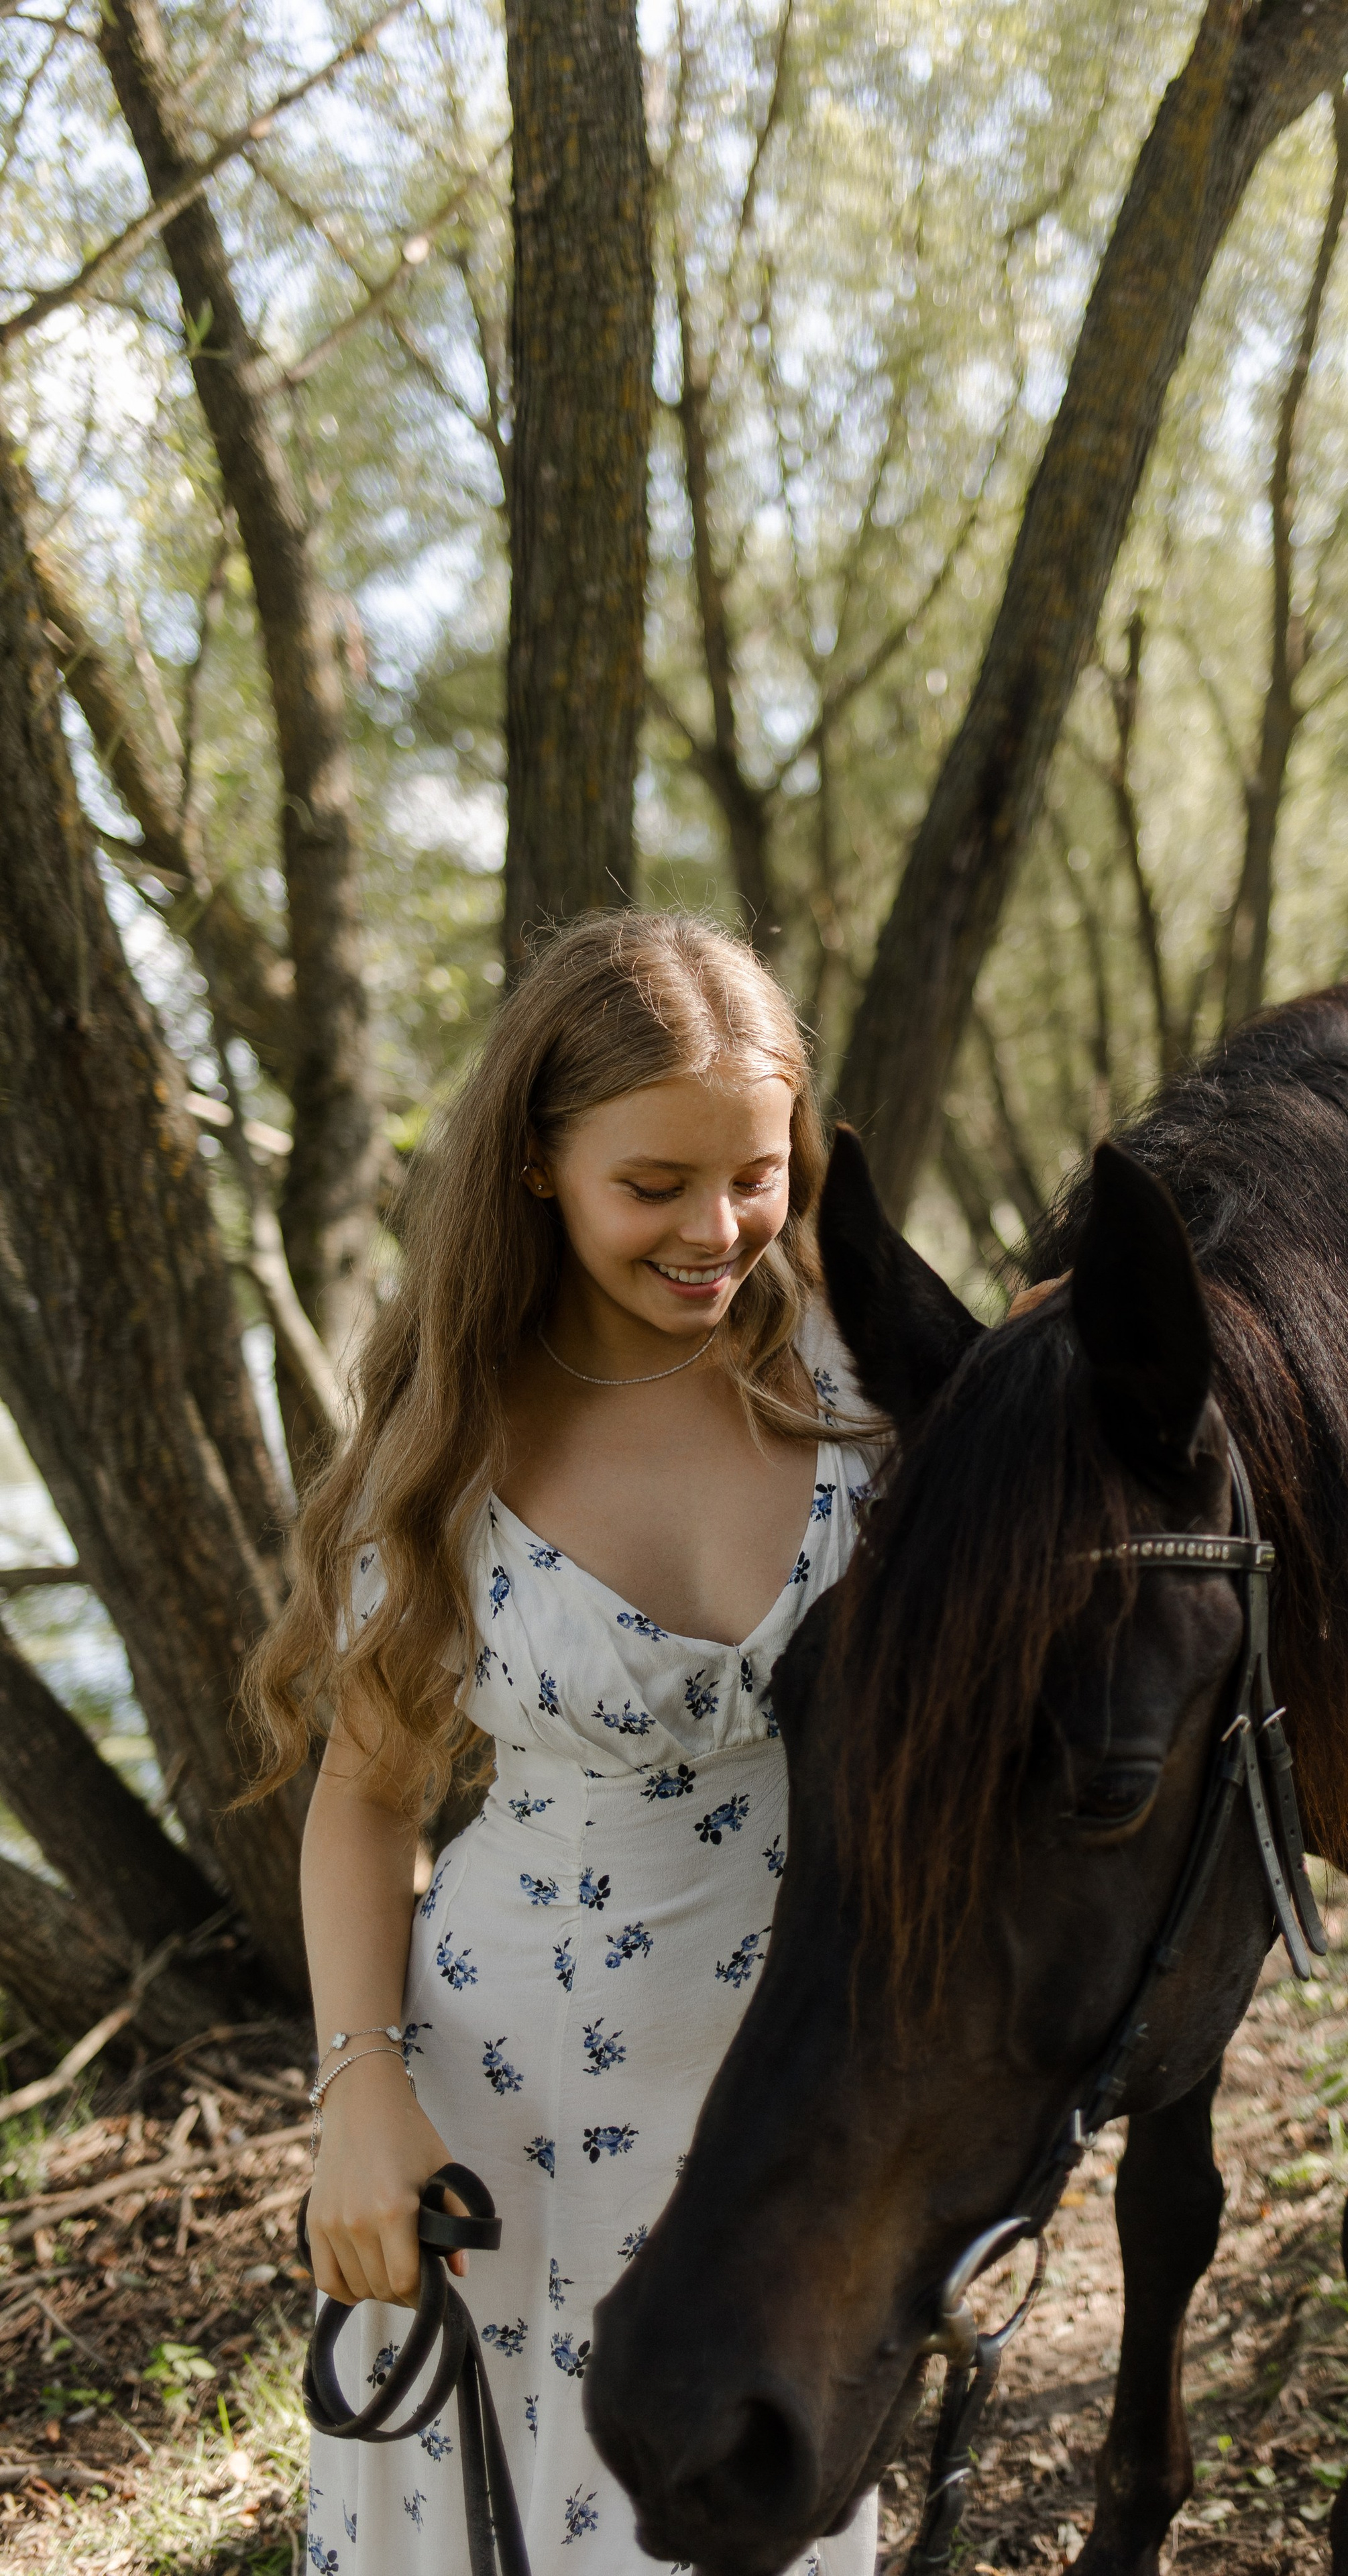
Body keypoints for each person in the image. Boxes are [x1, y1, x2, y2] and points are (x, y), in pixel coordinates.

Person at [247, 912, 884, 2576]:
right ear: (537, 1164)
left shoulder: (859, 1384)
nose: (717, 1229)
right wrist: (359, 2091)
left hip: (799, 2085)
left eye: (755, 1174)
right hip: (511, 2089)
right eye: (653, 1184)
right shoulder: (452, 1435)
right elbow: (366, 1796)